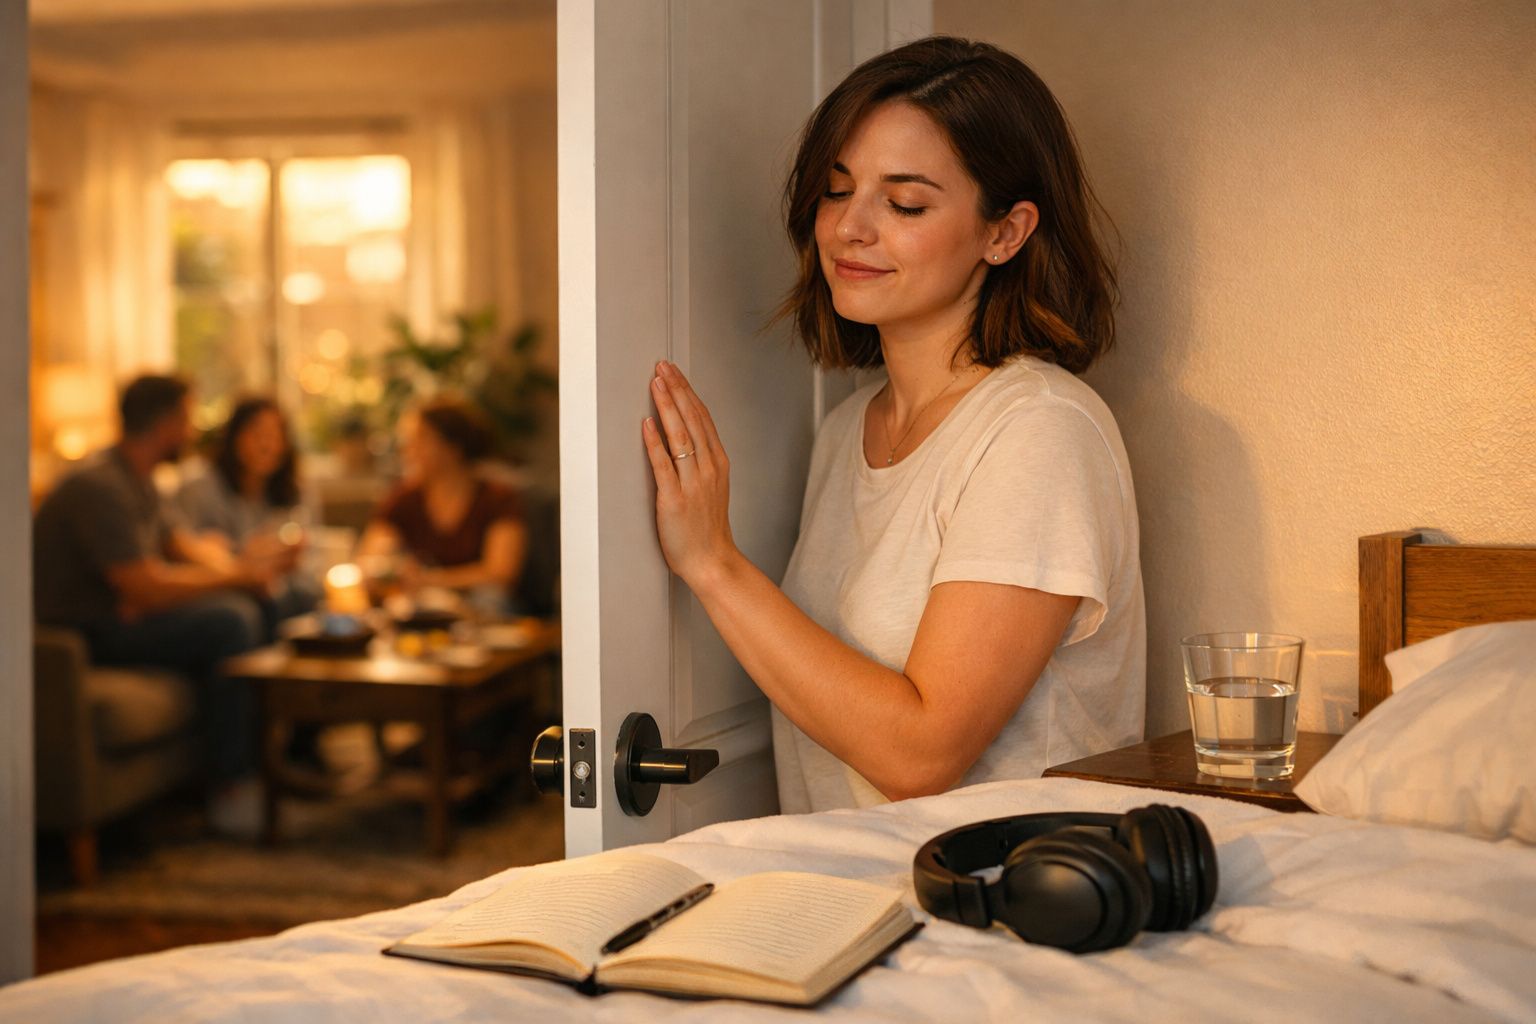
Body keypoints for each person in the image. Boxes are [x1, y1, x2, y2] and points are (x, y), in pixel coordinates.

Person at [641, 36, 1145, 813]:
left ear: (1005, 232)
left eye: (905, 203)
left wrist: (714, 563)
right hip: (844, 903)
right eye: (839, 190)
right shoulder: (849, 429)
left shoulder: (1040, 432)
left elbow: (921, 755)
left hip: (994, 912)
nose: (849, 228)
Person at [33, 374, 297, 820]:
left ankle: (271, 761)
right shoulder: (98, 486)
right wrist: (235, 580)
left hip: (129, 614)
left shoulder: (139, 479)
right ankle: (230, 787)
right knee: (231, 621)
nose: (193, 432)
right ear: (165, 425)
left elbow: (181, 546)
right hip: (86, 634)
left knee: (272, 602)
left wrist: (248, 570)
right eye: (188, 419)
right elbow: (145, 586)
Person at [358, 396, 527, 610]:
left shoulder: (497, 498)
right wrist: (388, 567)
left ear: (453, 446)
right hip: (420, 607)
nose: (409, 450)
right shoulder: (404, 498)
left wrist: (431, 580)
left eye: (420, 439)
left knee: (491, 599)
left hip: (480, 609)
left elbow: (501, 573)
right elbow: (373, 553)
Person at [176, 395, 318, 622]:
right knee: (244, 612)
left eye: (275, 435)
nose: (266, 444)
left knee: (305, 596)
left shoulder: (294, 491)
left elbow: (309, 556)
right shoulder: (199, 486)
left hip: (277, 585)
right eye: (257, 434)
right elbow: (184, 549)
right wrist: (241, 556)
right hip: (220, 585)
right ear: (234, 437)